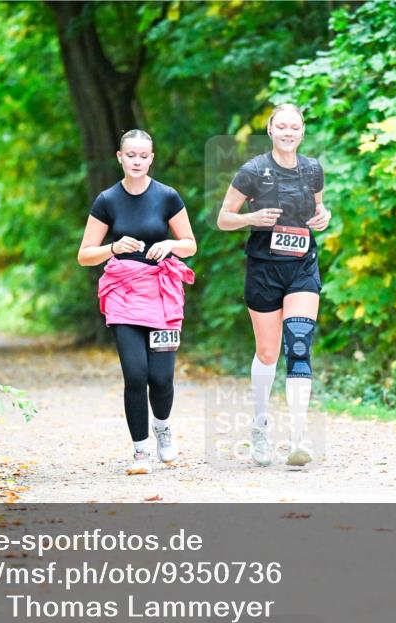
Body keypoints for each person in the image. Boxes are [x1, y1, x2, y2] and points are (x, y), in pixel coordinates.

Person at [217, 104, 332, 467]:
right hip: (264, 269)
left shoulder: (313, 169)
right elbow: (223, 219)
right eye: (281, 126)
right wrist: (251, 217)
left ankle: (298, 437)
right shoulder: (252, 171)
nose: (287, 132)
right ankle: (260, 427)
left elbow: (318, 212)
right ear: (270, 130)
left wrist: (324, 218)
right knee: (268, 353)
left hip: (301, 267)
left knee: (299, 341)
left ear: (302, 131)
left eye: (294, 126)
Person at [78, 129, 197, 475]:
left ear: (152, 158)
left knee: (161, 379)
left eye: (143, 156)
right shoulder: (107, 200)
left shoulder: (167, 197)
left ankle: (162, 427)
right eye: (131, 155)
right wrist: (114, 248)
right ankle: (140, 450)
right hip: (123, 294)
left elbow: (190, 243)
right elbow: (85, 255)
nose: (137, 161)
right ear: (120, 157)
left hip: (162, 295)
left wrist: (171, 246)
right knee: (135, 374)